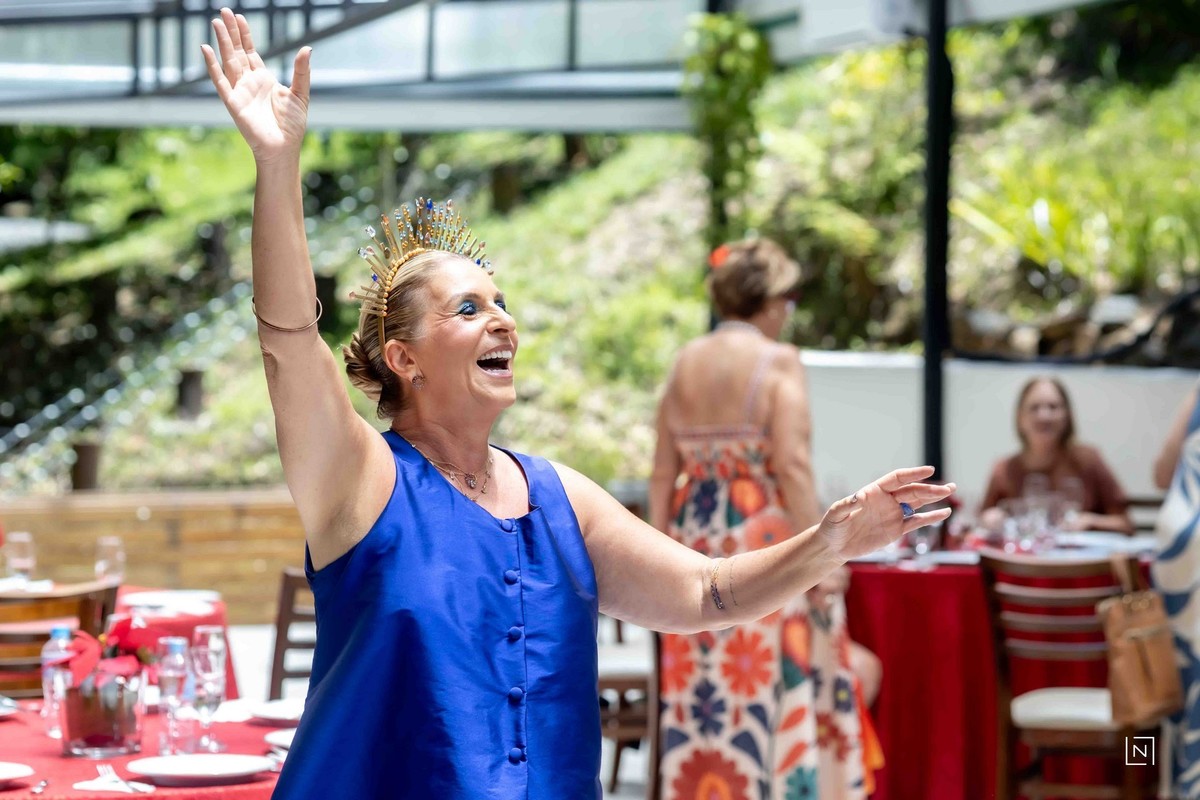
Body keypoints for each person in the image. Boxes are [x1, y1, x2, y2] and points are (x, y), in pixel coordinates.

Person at [200, 10, 953, 797]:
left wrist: (829, 542)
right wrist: (277, 165)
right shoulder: (359, 479)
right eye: (468, 309)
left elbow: (707, 592)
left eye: (501, 303)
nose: (503, 321)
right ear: (404, 359)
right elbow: (289, 336)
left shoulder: (559, 497)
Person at [649, 240, 883, 799]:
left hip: (692, 542)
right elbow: (792, 465)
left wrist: (656, 558)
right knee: (775, 681)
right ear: (772, 301)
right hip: (763, 537)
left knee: (707, 690)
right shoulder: (779, 360)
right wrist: (827, 555)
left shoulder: (685, 362)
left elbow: (661, 474)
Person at [980, 376, 1133, 534]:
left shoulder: (1088, 460)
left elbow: (1126, 524)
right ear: (1020, 417)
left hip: (1079, 550)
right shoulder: (1004, 470)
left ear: (1067, 416)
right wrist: (989, 520)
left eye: (1053, 407)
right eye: (1034, 408)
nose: (1044, 416)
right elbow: (981, 523)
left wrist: (1091, 521)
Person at [1151, 380, 1200, 798]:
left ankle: (1173, 784)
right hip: (1187, 566)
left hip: (1178, 559)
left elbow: (1162, 474)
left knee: (1173, 695)